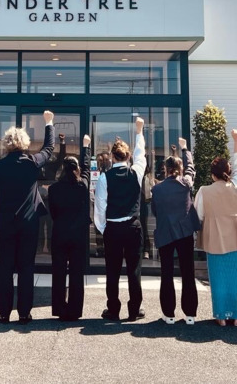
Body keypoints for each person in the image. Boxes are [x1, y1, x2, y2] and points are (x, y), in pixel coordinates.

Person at [0, 110, 55, 324]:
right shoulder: (32, 162)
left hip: (6, 223)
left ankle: (3, 313)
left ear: (7, 144)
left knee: (5, 268)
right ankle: (24, 313)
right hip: (28, 223)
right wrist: (49, 123)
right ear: (25, 143)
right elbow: (48, 149)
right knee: (26, 268)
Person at [195, 129, 237, 326]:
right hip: (235, 236)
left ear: (212, 175)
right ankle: (236, 316)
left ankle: (220, 315)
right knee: (236, 276)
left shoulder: (204, 191)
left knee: (217, 276)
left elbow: (199, 214)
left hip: (214, 237)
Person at [95, 116, 147, 322]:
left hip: (113, 228)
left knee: (112, 271)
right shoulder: (136, 172)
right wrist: (139, 132)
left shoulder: (104, 177)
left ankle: (113, 309)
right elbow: (141, 155)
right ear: (127, 157)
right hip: (133, 226)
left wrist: (103, 227)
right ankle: (134, 309)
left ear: (112, 157)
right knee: (134, 270)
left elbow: (100, 206)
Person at [151, 137, 199, 325]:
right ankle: (190, 314)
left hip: (165, 233)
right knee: (188, 273)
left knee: (166, 273)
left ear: (165, 169)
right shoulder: (186, 183)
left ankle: (169, 314)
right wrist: (185, 149)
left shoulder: (157, 189)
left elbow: (155, 211)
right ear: (179, 169)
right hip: (184, 232)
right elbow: (191, 168)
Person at [48, 133, 92, 322]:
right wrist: (86, 147)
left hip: (59, 233)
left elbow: (53, 212)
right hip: (78, 235)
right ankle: (74, 310)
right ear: (76, 169)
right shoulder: (82, 186)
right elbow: (87, 169)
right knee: (76, 273)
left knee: (58, 273)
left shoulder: (54, 189)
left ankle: (59, 309)